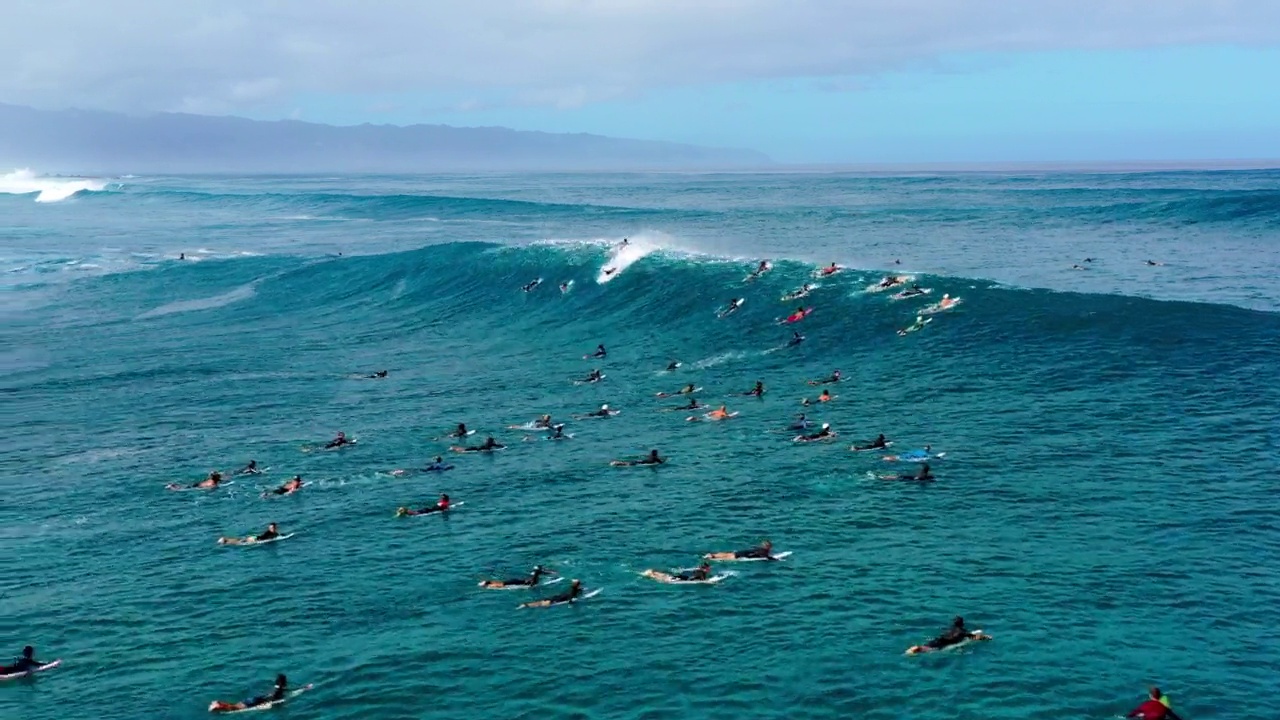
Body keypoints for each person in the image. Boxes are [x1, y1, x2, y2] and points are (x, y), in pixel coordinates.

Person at [208, 674, 291, 713]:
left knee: (236, 705)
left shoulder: (275, 688)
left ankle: (219, 703)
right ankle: (218, 706)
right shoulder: (279, 690)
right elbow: (276, 696)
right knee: (236, 708)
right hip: (256, 701)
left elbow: (275, 693)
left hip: (254, 699)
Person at [906, 616, 991, 654]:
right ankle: (917, 649)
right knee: (927, 650)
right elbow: (974, 637)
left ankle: (916, 648)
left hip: (938, 639)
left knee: (926, 646)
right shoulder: (962, 632)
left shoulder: (951, 629)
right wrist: (986, 637)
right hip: (944, 644)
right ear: (962, 623)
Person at [519, 579, 584, 608]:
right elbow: (571, 599)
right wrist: (570, 605)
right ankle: (525, 605)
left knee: (538, 604)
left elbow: (572, 595)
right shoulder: (572, 594)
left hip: (553, 598)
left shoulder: (571, 592)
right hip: (553, 600)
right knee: (539, 604)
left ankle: (525, 605)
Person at [480, 565, 556, 589]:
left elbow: (532, 583)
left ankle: (488, 582)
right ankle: (487, 583)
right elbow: (532, 584)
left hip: (519, 581)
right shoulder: (533, 580)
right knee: (502, 584)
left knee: (502, 584)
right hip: (518, 581)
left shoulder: (533, 579)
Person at [705, 540, 775, 561]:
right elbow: (766, 557)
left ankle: (712, 555)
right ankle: (711, 558)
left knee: (728, 554)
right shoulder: (763, 551)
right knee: (727, 558)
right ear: (767, 547)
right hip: (741, 555)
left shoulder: (758, 548)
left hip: (740, 552)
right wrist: (776, 560)